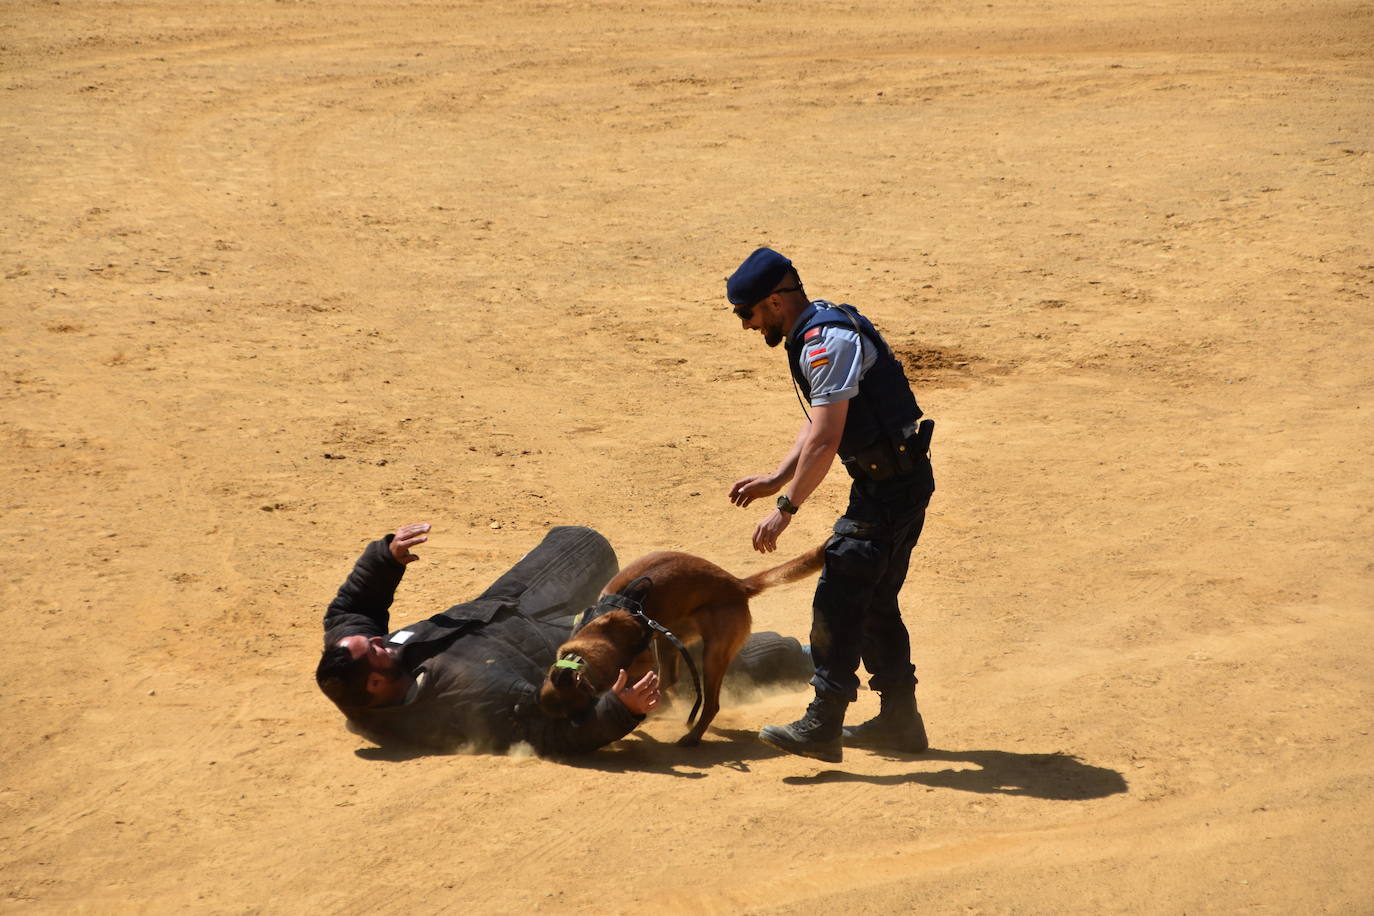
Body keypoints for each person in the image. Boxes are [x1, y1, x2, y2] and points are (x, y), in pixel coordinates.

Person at [317, 521, 814, 755]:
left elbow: (351, 610)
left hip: (507, 603)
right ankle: (803, 655)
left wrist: (386, 556)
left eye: (371, 642)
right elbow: (553, 730)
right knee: (697, 667)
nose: (384, 642)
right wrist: (621, 709)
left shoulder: (347, 660)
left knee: (582, 542)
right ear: (378, 687)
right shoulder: (461, 701)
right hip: (566, 650)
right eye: (378, 652)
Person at [725, 246, 936, 763]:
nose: (747, 326)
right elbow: (821, 416)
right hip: (896, 482)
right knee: (875, 601)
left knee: (840, 597)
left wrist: (786, 506)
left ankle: (824, 722)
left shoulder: (825, 342)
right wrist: (778, 473)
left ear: (775, 302)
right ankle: (900, 723)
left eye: (747, 314)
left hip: (888, 490)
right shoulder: (820, 329)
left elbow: (826, 437)